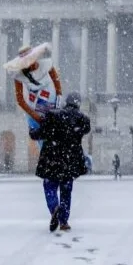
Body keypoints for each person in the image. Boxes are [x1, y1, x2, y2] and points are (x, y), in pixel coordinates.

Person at [29, 92, 91, 232]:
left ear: (65, 102)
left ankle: (54, 208)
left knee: (49, 186)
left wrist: (32, 131)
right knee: (66, 190)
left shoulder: (53, 115)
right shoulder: (82, 119)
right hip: (70, 161)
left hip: (52, 157)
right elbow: (86, 129)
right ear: (78, 104)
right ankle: (64, 221)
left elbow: (40, 133)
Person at [12, 44, 62, 149]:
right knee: (43, 144)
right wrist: (36, 117)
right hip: (35, 110)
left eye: (30, 59)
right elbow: (20, 100)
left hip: (52, 107)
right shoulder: (19, 75)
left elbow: (57, 84)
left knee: (57, 141)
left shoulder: (47, 65)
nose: (29, 63)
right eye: (25, 61)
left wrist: (57, 104)